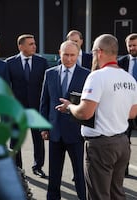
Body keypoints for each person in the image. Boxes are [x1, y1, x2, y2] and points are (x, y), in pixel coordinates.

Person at [56, 34, 137, 199]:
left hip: (101, 144)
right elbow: (133, 112)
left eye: (93, 52)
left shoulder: (97, 76)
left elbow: (85, 112)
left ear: (99, 52)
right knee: (117, 193)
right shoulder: (129, 78)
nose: (92, 56)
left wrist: (70, 106)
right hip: (122, 143)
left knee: (99, 195)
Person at [40, 40, 89, 200]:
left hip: (76, 132)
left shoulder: (86, 75)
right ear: (59, 54)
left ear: (78, 54)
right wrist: (43, 127)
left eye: (72, 55)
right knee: (54, 174)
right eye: (65, 55)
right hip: (55, 132)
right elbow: (44, 102)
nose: (69, 58)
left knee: (80, 174)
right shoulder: (50, 73)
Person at [5, 34, 48, 178]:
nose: (34, 46)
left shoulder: (42, 62)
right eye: (30, 44)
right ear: (20, 46)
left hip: (36, 108)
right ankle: (17, 168)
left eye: (34, 43)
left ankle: (38, 166)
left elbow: (45, 86)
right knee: (15, 140)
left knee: (38, 139)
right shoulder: (10, 63)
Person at [118, 33, 137, 176]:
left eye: (134, 45)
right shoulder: (122, 62)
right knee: (125, 139)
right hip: (126, 106)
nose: (132, 48)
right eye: (129, 45)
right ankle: (123, 169)